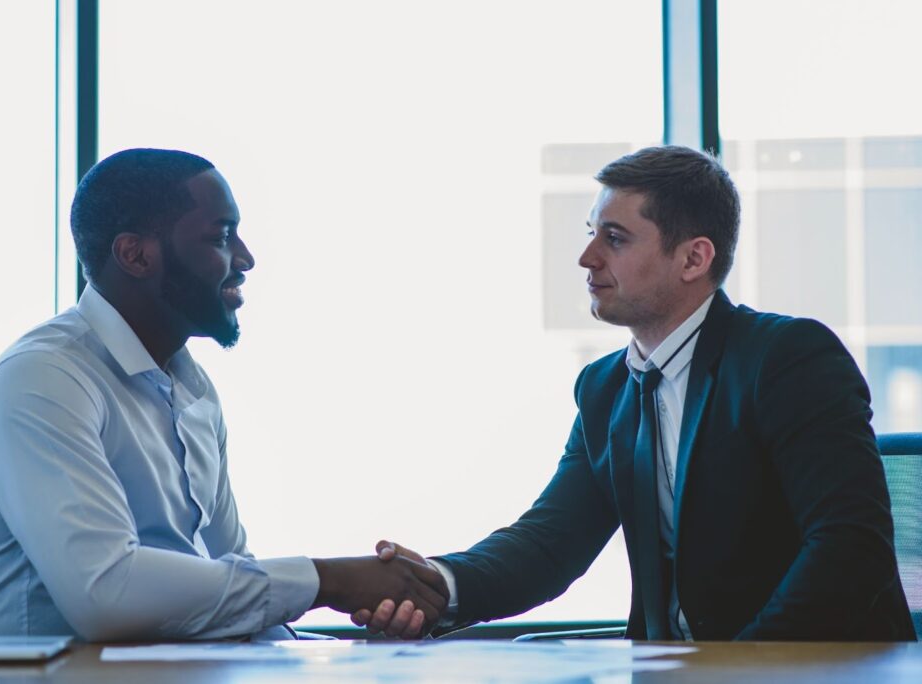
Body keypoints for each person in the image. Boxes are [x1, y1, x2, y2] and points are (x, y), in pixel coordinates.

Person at [355, 145, 915, 641]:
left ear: (694, 258)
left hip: (818, 667)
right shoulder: (606, 388)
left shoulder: (787, 358)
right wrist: (439, 584)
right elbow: (549, 546)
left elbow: (848, 546)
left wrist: (738, 669)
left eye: (615, 238)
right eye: (592, 234)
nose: (587, 258)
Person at [0, 148, 447, 641]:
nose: (245, 259)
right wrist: (330, 580)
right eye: (220, 236)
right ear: (135, 255)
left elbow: (235, 594)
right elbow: (105, 594)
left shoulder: (193, 389)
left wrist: (359, 651)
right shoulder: (44, 377)